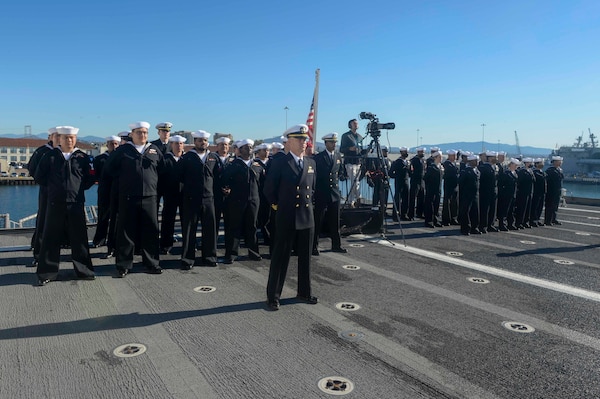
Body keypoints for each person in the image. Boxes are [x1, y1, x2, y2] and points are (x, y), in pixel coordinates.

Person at [264, 124, 317, 311]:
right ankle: (273, 296)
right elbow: (269, 189)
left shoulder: (311, 163)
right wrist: (279, 207)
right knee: (281, 257)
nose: (304, 142)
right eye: (300, 139)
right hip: (287, 215)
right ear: (290, 141)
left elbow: (313, 189)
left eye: (305, 139)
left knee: (306, 257)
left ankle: (304, 291)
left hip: (306, 215)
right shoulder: (280, 162)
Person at [34, 126, 96, 285]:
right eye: (66, 138)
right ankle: (47, 272)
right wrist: (55, 189)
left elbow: (89, 179)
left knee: (80, 238)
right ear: (59, 139)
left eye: (72, 138)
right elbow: (40, 176)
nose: (69, 140)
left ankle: (83, 270)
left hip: (76, 203)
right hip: (55, 203)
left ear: (75, 139)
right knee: (50, 239)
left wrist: (77, 189)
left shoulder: (82, 157)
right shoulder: (50, 156)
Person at [105, 121, 164, 277]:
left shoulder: (153, 150)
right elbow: (110, 168)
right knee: (126, 232)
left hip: (150, 197)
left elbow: (162, 170)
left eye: (145, 132)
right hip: (129, 197)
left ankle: (151, 263)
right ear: (132, 134)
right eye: (139, 132)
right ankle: (123, 265)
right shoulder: (123, 150)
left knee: (151, 230)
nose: (142, 135)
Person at [178, 130, 220, 269]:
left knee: (210, 229)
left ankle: (209, 257)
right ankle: (188, 259)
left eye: (205, 141)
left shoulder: (213, 157)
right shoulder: (187, 158)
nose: (203, 143)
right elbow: (179, 177)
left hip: (209, 199)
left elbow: (219, 177)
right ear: (195, 142)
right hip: (191, 199)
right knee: (189, 230)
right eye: (200, 140)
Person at [221, 139, 262, 263]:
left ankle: (253, 252)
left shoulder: (257, 165)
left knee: (252, 227)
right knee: (234, 227)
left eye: (250, 147)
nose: (249, 149)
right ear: (239, 150)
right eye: (245, 147)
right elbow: (224, 180)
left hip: (253, 200)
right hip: (237, 200)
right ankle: (231, 254)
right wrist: (226, 190)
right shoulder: (233, 165)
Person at [28, 127, 59, 267]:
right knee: (43, 221)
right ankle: (39, 253)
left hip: (66, 194)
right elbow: (33, 169)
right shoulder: (42, 152)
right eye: (56, 136)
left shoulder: (67, 153)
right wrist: (47, 183)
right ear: (50, 137)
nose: (59, 139)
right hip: (47, 192)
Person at [312, 132, 347, 255]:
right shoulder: (318, 158)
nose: (334, 144)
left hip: (334, 193)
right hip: (322, 192)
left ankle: (336, 245)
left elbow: (341, 172)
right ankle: (313, 246)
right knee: (318, 221)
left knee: (335, 221)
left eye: (335, 142)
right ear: (326, 143)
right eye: (331, 142)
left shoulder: (338, 156)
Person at [92, 135, 121, 248]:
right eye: (111, 143)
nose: (113, 146)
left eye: (115, 144)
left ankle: (114, 240)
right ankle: (100, 239)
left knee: (116, 217)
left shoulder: (121, 158)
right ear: (107, 144)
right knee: (103, 216)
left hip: (118, 191)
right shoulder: (100, 159)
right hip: (104, 190)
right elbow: (96, 175)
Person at [159, 135, 186, 254]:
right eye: (176, 143)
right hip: (170, 194)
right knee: (168, 220)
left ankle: (188, 243)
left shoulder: (186, 160)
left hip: (184, 195)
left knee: (186, 220)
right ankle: (166, 244)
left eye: (180, 144)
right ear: (171, 145)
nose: (179, 146)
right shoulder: (165, 159)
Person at [340, 119, 363, 207]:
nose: (356, 125)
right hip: (350, 161)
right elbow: (341, 149)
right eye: (354, 123)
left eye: (357, 123)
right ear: (350, 125)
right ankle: (358, 198)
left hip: (358, 161)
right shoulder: (346, 136)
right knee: (354, 181)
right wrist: (349, 149)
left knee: (356, 181)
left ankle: (351, 200)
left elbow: (361, 150)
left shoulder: (360, 137)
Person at [253, 143, 271, 245]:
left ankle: (268, 236)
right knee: (259, 216)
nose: (266, 152)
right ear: (258, 152)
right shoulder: (255, 163)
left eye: (268, 150)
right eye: (264, 150)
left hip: (269, 194)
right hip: (258, 193)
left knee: (268, 216)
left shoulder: (272, 162)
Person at [458, 154, 480, 235]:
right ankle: (465, 228)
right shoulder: (466, 171)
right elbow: (461, 182)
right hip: (467, 194)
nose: (477, 162)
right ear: (471, 161)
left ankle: (474, 227)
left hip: (475, 194)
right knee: (466, 212)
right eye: (475, 161)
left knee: (475, 211)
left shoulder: (477, 171)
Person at [478, 151, 499, 233]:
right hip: (485, 191)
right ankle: (483, 225)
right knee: (484, 209)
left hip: (493, 191)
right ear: (489, 158)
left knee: (492, 209)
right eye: (494, 158)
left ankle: (490, 224)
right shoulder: (483, 168)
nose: (495, 159)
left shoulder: (494, 167)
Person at [497, 159, 520, 231]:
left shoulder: (515, 173)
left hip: (513, 195)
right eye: (515, 165)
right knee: (504, 210)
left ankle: (510, 224)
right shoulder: (506, 173)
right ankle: (502, 224)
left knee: (511, 210)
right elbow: (500, 184)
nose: (516, 167)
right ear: (511, 165)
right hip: (506, 195)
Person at [389, 147, 410, 221]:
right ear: (401, 152)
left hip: (406, 182)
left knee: (406, 199)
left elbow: (409, 173)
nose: (406, 153)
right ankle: (396, 215)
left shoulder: (407, 162)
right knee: (397, 199)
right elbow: (390, 173)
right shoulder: (397, 162)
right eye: (405, 152)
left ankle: (404, 214)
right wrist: (397, 176)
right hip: (399, 182)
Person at [423, 151, 443, 228]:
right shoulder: (431, 167)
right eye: (439, 157)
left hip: (438, 189)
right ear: (435, 158)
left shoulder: (440, 167)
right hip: (431, 189)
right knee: (430, 205)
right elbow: (426, 178)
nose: (441, 159)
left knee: (436, 205)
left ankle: (435, 220)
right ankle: (429, 221)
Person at [515, 158, 535, 229]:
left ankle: (525, 221)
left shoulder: (530, 171)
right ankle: (519, 222)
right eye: (530, 163)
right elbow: (519, 182)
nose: (531, 164)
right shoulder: (522, 171)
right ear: (526, 163)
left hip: (529, 192)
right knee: (521, 208)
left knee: (527, 208)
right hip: (523, 193)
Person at [441, 149, 459, 226]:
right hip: (448, 185)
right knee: (447, 203)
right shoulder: (447, 164)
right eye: (453, 156)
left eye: (455, 155)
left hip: (454, 186)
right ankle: (446, 219)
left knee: (454, 202)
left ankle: (453, 218)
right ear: (449, 156)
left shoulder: (454, 164)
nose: (455, 157)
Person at [544, 156, 564, 225]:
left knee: (555, 206)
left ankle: (553, 219)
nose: (561, 163)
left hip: (557, 191)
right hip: (551, 191)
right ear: (555, 162)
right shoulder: (550, 171)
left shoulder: (559, 170)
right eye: (559, 161)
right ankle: (547, 220)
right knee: (550, 206)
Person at [408, 147, 426, 219]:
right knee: (412, 199)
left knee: (421, 198)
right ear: (418, 152)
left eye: (423, 152)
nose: (423, 153)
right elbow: (410, 170)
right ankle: (410, 215)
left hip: (422, 181)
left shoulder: (423, 160)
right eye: (422, 152)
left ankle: (419, 213)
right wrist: (412, 175)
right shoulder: (414, 160)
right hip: (415, 181)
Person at [529, 158, 547, 227]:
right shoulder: (535, 172)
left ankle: (537, 219)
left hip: (542, 192)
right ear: (536, 164)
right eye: (541, 163)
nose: (542, 164)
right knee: (535, 207)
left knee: (540, 206)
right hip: (536, 192)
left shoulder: (541, 172)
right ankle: (532, 220)